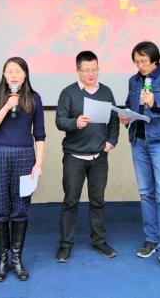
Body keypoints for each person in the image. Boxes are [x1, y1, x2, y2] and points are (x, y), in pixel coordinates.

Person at [118, 41, 160, 276]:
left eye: (143, 61)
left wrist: (156, 104)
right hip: (139, 141)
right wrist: (126, 116)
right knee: (146, 193)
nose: (140, 66)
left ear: (155, 59)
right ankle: (152, 238)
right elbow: (131, 105)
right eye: (136, 62)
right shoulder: (134, 80)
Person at [0, 56, 45, 282]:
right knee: (0, 208)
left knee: (20, 209)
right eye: (10, 71)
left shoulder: (34, 98)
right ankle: (2, 259)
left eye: (18, 71)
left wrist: (38, 163)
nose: (14, 75)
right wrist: (7, 106)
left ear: (25, 74)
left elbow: (40, 134)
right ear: (4, 74)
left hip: (25, 156)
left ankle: (16, 259)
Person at [54, 50, 120, 263]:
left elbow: (114, 120)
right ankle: (66, 244)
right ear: (78, 70)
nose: (91, 74)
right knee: (70, 201)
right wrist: (75, 122)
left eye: (95, 70)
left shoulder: (106, 92)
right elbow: (59, 121)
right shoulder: (68, 93)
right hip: (74, 156)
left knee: (98, 201)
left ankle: (99, 241)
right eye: (87, 70)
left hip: (99, 156)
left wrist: (111, 142)